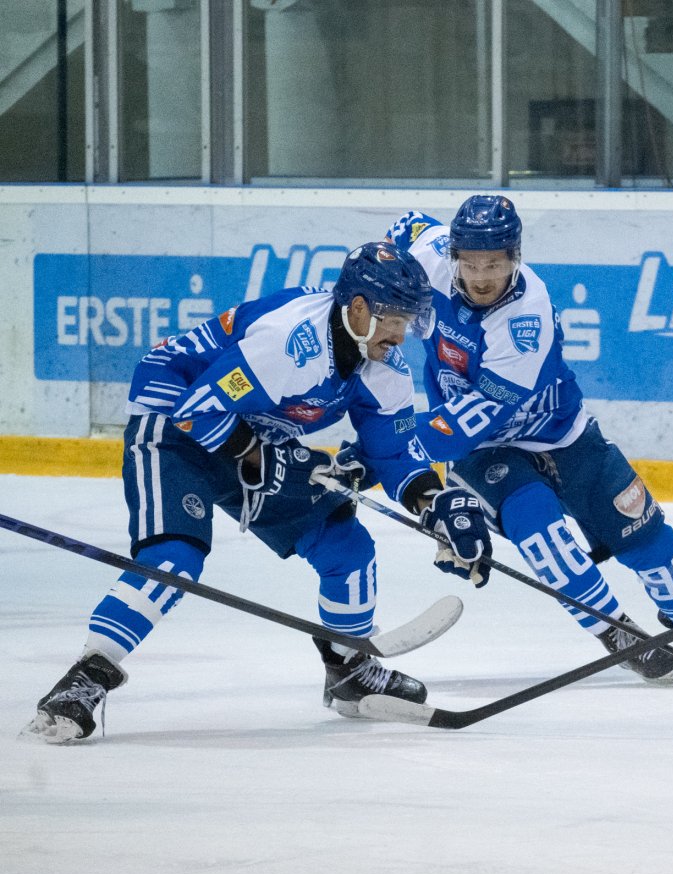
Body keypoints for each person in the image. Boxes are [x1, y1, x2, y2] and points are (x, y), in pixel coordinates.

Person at [23, 241, 489, 743]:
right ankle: (87, 676)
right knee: (174, 559)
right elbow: (196, 411)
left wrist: (435, 502)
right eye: (394, 319)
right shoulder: (290, 342)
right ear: (358, 308)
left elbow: (395, 454)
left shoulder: (383, 368)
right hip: (174, 421)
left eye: (408, 320)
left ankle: (350, 669)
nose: (401, 335)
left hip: (251, 434)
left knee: (346, 546)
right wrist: (260, 454)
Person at [385, 195, 673, 684]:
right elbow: (396, 237)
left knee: (641, 530)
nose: (482, 276)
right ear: (453, 254)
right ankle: (615, 632)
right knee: (540, 528)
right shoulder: (428, 257)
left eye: (494, 263)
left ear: (516, 256)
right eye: (470, 264)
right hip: (485, 452)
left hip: (556, 430)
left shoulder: (524, 320)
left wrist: (386, 446)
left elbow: (469, 421)